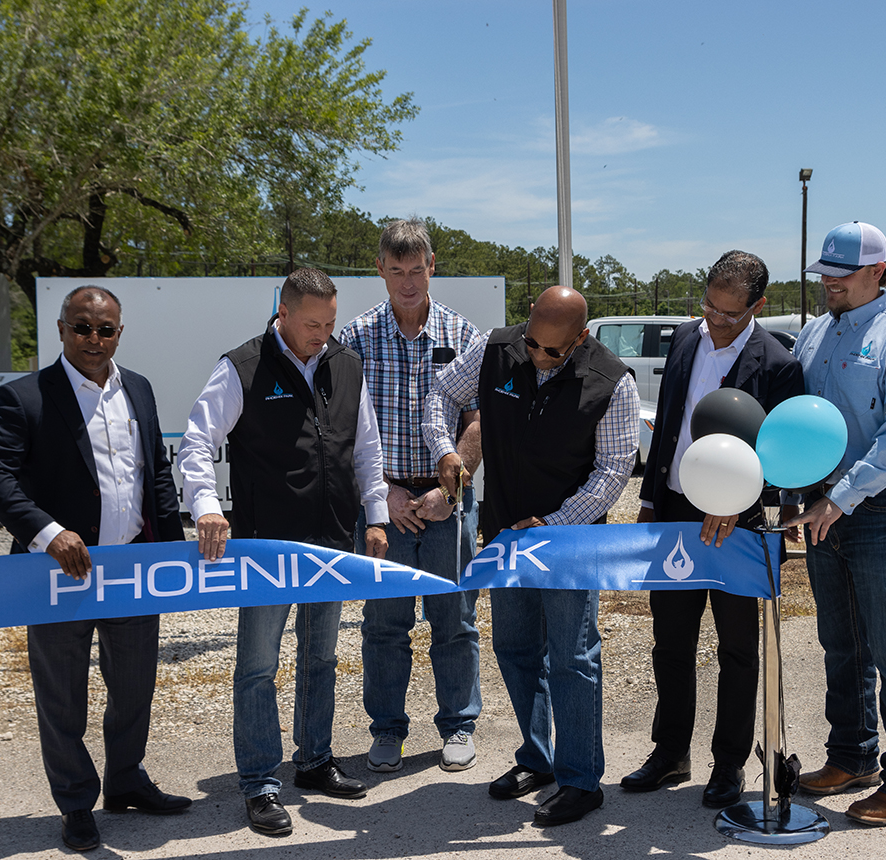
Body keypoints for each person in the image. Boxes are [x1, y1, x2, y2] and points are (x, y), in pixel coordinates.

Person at [0, 286, 190, 853]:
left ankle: (125, 781)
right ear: (62, 329)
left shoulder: (137, 388)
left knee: (135, 688)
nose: (94, 340)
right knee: (62, 697)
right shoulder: (26, 397)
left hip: (133, 572)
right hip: (58, 576)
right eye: (82, 328)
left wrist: (171, 553)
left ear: (121, 332)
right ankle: (75, 804)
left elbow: (154, 478)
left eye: (106, 330)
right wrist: (47, 532)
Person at [178, 268, 389, 837]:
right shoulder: (242, 367)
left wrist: (376, 517)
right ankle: (259, 784)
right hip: (266, 549)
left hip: (331, 543)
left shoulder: (346, 365)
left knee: (320, 657)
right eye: (313, 324)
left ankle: (314, 761)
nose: (323, 334)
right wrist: (205, 506)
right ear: (284, 312)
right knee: (257, 667)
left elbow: (365, 449)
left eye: (331, 322)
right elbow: (196, 443)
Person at [423, 285, 639, 826]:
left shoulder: (614, 382)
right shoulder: (498, 348)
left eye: (554, 351)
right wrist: (446, 448)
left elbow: (613, 471)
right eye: (534, 344)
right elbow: (440, 395)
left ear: (581, 338)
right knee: (516, 648)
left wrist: (555, 524)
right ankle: (538, 758)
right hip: (504, 535)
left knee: (572, 658)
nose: (540, 357)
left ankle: (581, 780)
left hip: (568, 543)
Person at [621, 251, 804, 808]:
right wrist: (650, 500)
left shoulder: (778, 364)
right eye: (708, 307)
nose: (714, 321)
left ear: (758, 307)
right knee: (670, 642)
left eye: (728, 314)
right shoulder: (683, 338)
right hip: (675, 513)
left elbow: (783, 455)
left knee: (737, 650)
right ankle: (671, 752)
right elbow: (669, 426)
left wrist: (742, 496)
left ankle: (728, 766)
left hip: (738, 522)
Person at [784, 221, 886, 827]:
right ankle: (852, 756)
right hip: (824, 506)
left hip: (881, 510)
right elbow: (797, 422)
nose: (829, 286)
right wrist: (798, 496)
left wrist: (839, 499)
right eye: (823, 275)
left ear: (878, 271)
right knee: (840, 644)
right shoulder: (815, 333)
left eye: (840, 277)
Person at [337, 217, 483, 774]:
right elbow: (340, 425)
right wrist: (384, 495)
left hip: (449, 504)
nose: (406, 281)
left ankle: (458, 726)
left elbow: (477, 420)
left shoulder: (462, 335)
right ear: (379, 269)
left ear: (432, 266)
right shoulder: (353, 338)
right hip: (386, 506)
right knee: (384, 625)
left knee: (455, 620)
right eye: (395, 270)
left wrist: (454, 487)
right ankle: (387, 731)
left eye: (415, 269)